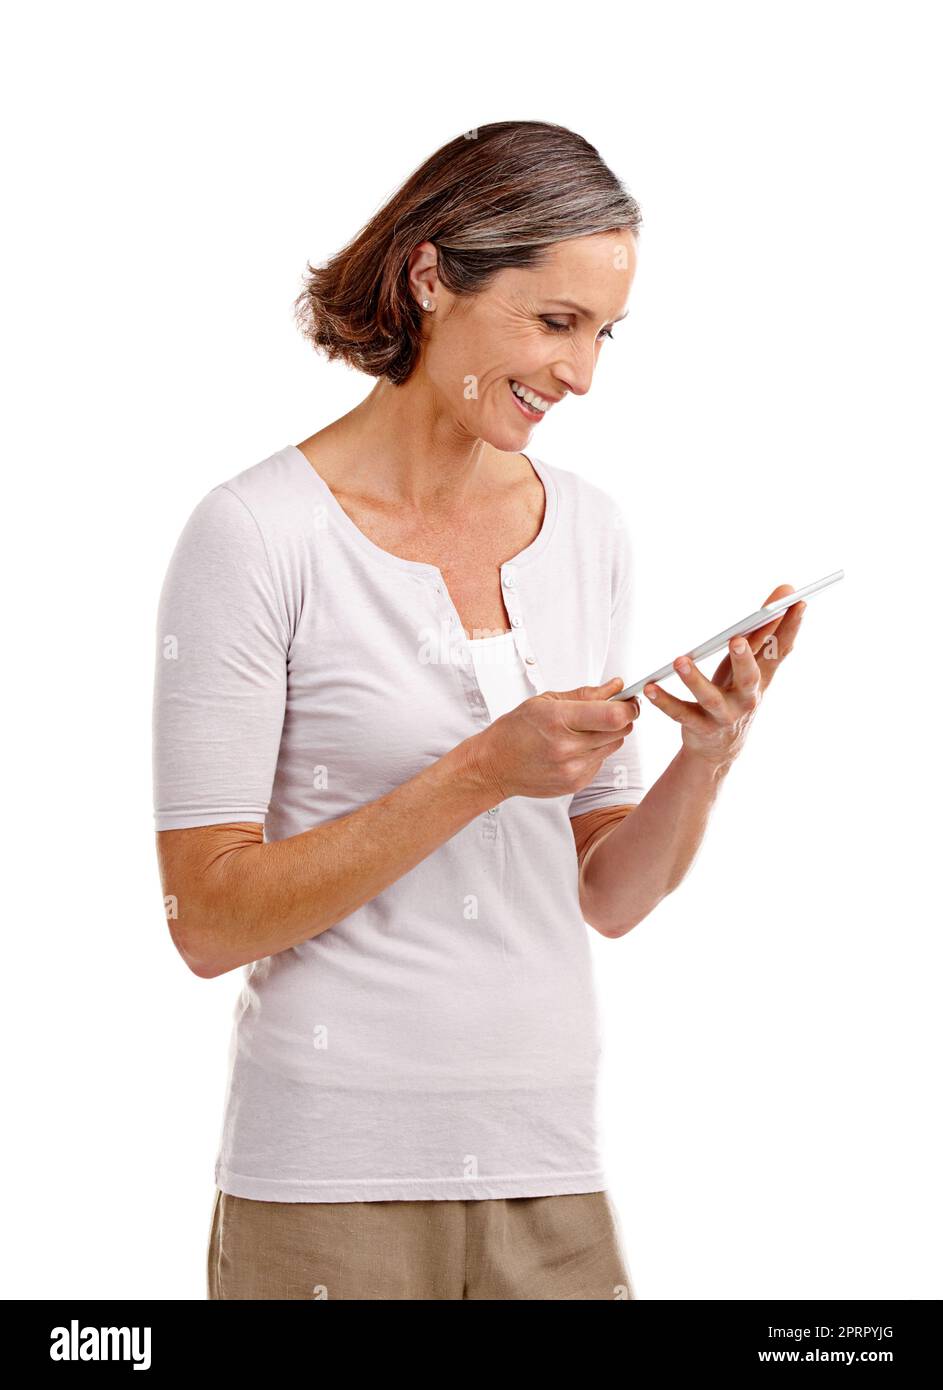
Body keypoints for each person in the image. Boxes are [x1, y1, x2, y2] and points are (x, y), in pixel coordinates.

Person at [152, 120, 805, 1301]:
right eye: (555, 322)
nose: (583, 373)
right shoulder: (254, 534)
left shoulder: (589, 528)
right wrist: (478, 771)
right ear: (430, 276)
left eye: (603, 333)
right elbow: (205, 920)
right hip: (327, 1185)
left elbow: (604, 892)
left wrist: (704, 757)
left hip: (549, 1173)